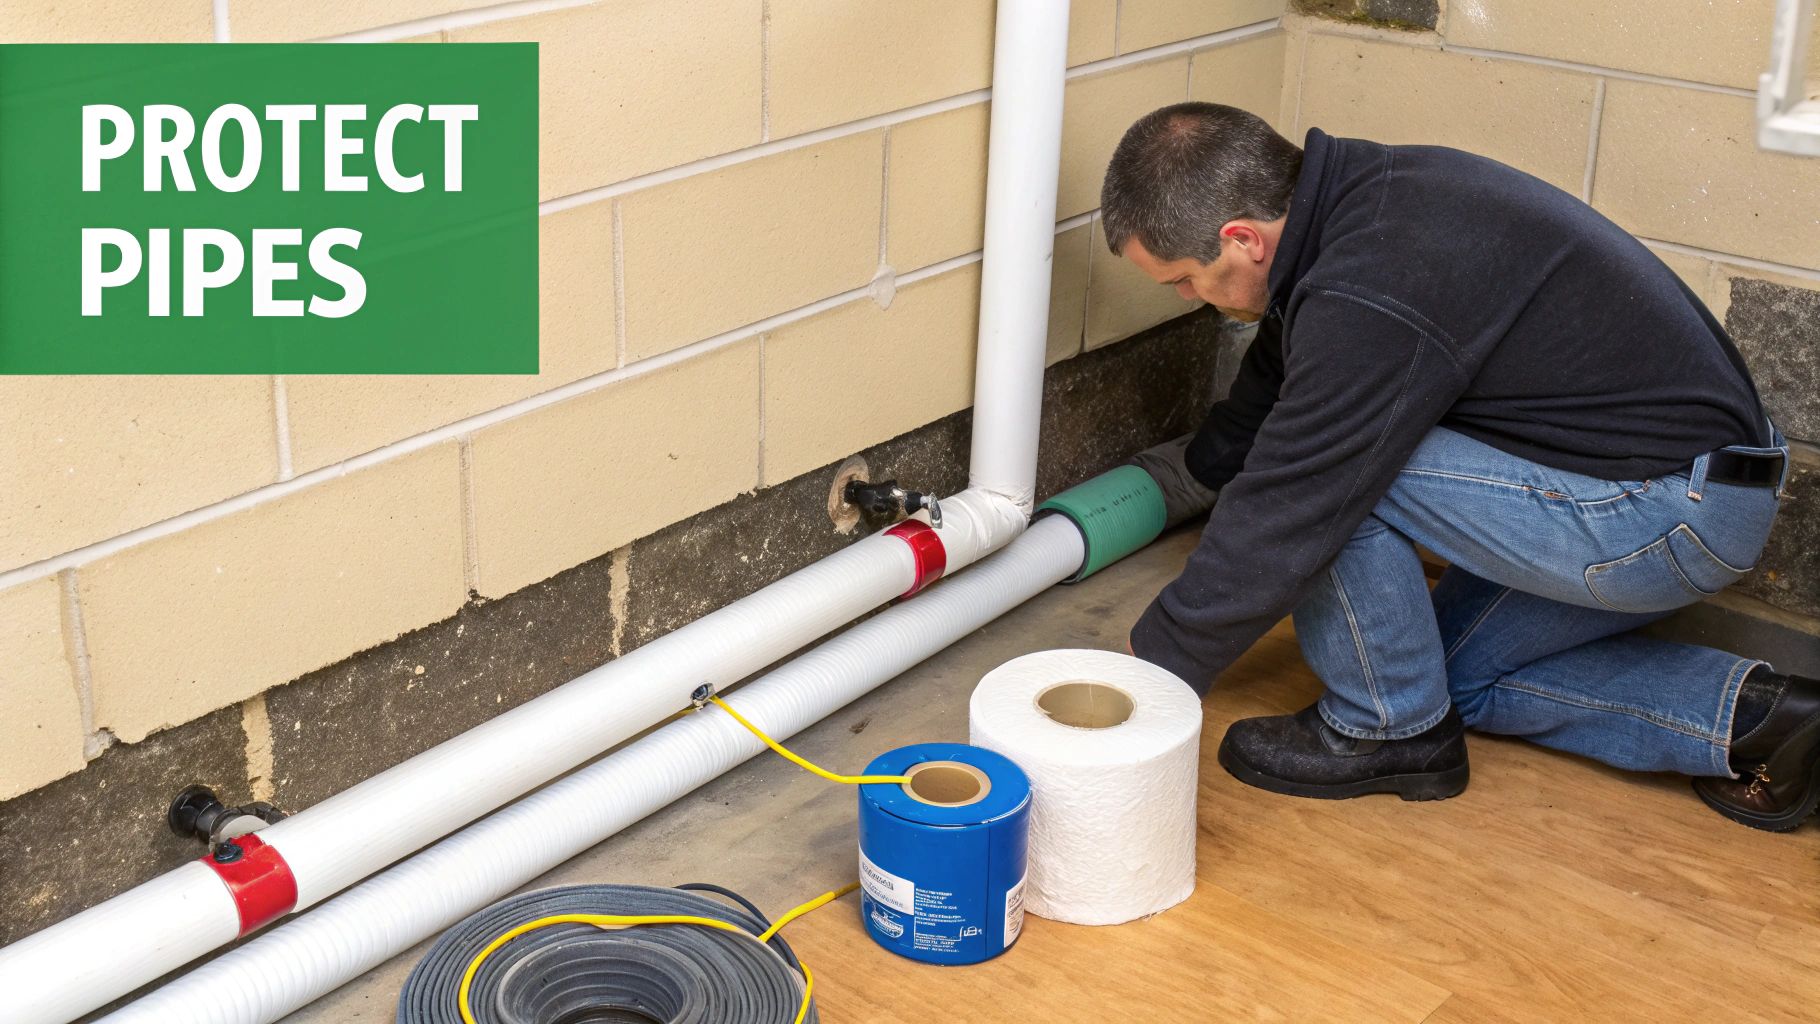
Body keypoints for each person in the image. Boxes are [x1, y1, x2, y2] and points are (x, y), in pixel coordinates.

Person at [1104, 102, 1816, 832]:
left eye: (1184, 281)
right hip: (1687, 484)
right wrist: (1198, 469)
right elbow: (1286, 366)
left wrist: (1155, 663)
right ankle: (1763, 722)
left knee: (1341, 477)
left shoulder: (1369, 286)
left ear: (1242, 240)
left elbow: (1295, 498)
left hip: (1661, 513)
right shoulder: (1368, 199)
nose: (1189, 299)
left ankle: (1385, 728)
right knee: (1454, 679)